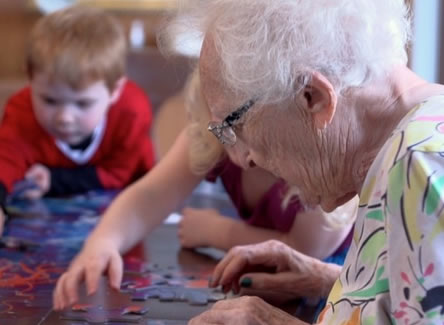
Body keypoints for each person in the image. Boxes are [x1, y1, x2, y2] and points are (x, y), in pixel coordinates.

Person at [156, 0, 443, 324]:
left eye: (234, 125)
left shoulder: (421, 163)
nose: (241, 158)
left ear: (313, 97)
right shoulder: (410, 144)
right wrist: (329, 279)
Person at [52, 68, 358, 310]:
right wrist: (103, 243)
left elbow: (304, 252)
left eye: (238, 123)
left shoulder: (320, 150)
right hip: (261, 287)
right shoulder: (217, 132)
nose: (239, 154)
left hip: (340, 290)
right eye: (221, 125)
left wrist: (217, 232)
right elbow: (148, 197)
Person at [0, 6, 155, 235]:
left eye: (82, 104)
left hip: (126, 223)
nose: (64, 117)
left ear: (115, 90)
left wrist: (55, 179)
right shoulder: (20, 111)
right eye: (49, 100)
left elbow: (120, 172)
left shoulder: (131, 112)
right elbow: (5, 162)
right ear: (30, 79)